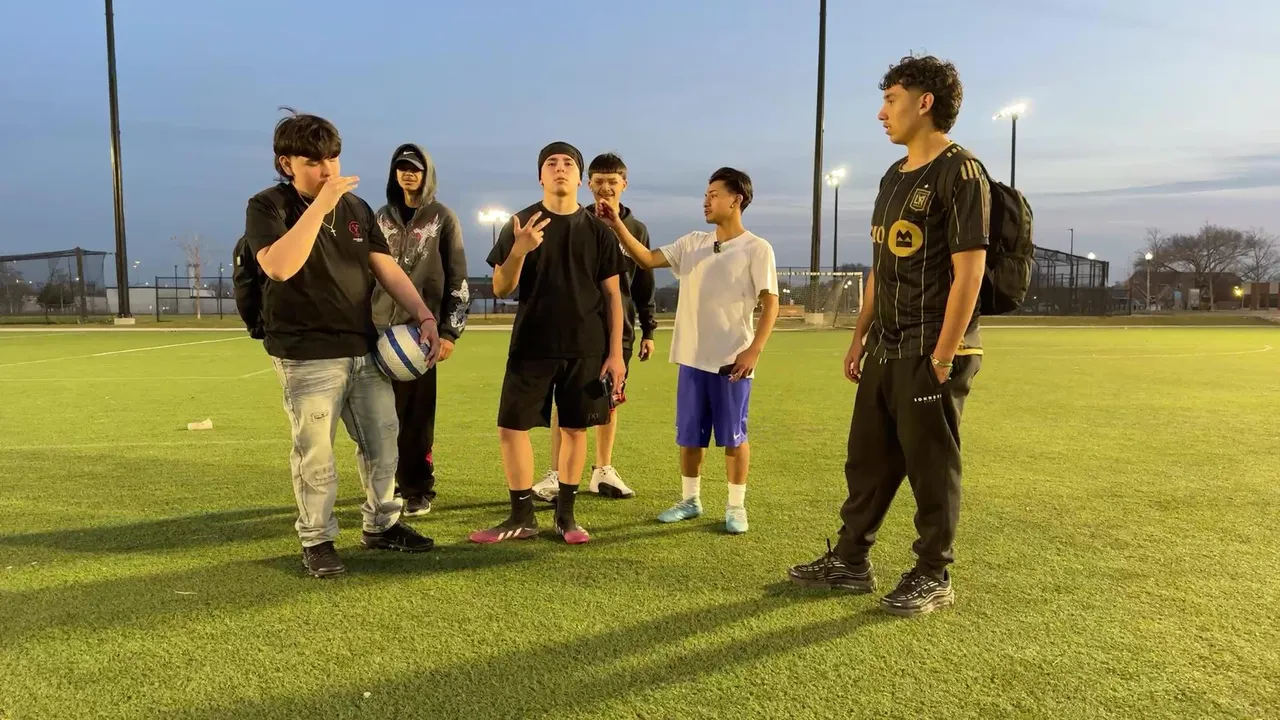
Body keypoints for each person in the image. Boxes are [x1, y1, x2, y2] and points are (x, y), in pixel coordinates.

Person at [786, 54, 990, 617]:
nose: (882, 112)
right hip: (886, 344)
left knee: (931, 465)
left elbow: (970, 273)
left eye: (891, 100)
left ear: (925, 103)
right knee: (869, 458)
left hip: (933, 346)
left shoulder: (961, 172)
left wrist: (944, 355)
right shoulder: (893, 175)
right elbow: (881, 264)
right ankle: (851, 560)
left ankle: (933, 573)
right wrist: (860, 336)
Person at [244, 109, 438, 578]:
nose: (327, 170)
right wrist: (320, 205)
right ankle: (317, 539)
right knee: (316, 452)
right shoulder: (267, 206)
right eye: (313, 162)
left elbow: (385, 267)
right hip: (305, 353)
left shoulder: (356, 209)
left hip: (363, 346)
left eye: (332, 158)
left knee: (384, 441)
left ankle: (382, 525)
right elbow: (279, 266)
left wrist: (424, 314)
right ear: (286, 163)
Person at [602, 167, 778, 535]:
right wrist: (617, 224)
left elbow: (770, 303)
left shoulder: (756, 248)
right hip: (692, 359)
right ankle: (690, 500)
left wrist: (754, 350)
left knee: (734, 437)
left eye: (714, 194)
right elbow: (646, 259)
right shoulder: (693, 242)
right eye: (706, 194)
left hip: (732, 361)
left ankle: (735, 506)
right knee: (690, 436)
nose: (706, 201)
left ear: (736, 199)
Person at [470, 142, 627, 546]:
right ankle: (521, 516)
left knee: (574, 429)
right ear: (540, 176)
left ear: (579, 177)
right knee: (511, 427)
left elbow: (613, 296)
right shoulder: (521, 223)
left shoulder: (598, 231)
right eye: (551, 163)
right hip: (532, 344)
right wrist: (519, 250)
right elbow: (502, 288)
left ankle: (566, 516)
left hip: (585, 347)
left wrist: (615, 354)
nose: (560, 168)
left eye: (568, 163)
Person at [532, 152, 657, 504]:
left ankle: (603, 469)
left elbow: (643, 283)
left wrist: (648, 330)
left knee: (610, 399)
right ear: (589, 184)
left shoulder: (637, 229)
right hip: (579, 329)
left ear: (624, 184)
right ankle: (557, 472)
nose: (605, 188)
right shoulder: (576, 220)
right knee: (566, 401)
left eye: (612, 181)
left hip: (620, 332)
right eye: (599, 181)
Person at [370, 143, 470, 518]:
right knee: (378, 415)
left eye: (415, 168)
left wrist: (449, 332)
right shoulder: (380, 217)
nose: (408, 173)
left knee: (416, 416)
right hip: (379, 332)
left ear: (427, 174)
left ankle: (417, 487)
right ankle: (385, 483)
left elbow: (458, 277)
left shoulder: (443, 218)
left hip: (419, 336)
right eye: (401, 167)